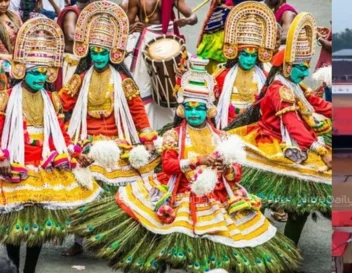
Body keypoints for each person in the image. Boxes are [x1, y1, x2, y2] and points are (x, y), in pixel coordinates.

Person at [69, 56, 300, 273]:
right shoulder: (173, 135)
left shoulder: (222, 137)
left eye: (199, 108)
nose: (194, 113)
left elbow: (236, 173)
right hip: (180, 193)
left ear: (208, 110)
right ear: (182, 110)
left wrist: (224, 168)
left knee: (213, 251)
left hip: (217, 197)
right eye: (189, 108)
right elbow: (168, 166)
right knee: (177, 252)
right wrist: (198, 161)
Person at [227, 13, 332, 273]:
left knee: (299, 207)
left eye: (306, 66)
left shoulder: (294, 86)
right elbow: (293, 123)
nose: (305, 72)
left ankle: (286, 259)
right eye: (300, 68)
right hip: (271, 149)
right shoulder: (280, 90)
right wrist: (318, 147)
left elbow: (316, 106)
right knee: (256, 202)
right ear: (287, 67)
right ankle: (248, 253)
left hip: (294, 145)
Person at [0, 18, 100, 273]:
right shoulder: (5, 98)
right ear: (22, 72)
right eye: (34, 73)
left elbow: (62, 134)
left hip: (45, 166)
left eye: (43, 73)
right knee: (13, 231)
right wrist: (2, 157)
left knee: (37, 231)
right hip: (15, 166)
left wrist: (74, 153)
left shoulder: (52, 99)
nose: (39, 78)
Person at [59, 1, 156, 257]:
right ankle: (79, 240)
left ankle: (111, 238)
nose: (99, 57)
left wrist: (147, 139)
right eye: (95, 52)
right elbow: (61, 104)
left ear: (113, 52)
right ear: (89, 52)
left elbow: (137, 111)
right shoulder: (79, 78)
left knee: (120, 191)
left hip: (117, 141)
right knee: (83, 187)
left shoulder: (124, 80)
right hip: (85, 141)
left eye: (104, 52)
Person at [124, 0, 198, 128]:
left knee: (176, 85)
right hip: (147, 41)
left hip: (170, 42)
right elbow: (125, 25)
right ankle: (145, 128)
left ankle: (174, 125)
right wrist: (132, 27)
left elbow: (193, 17)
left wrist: (187, 20)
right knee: (143, 86)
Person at [213, 1, 277, 130]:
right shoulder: (222, 76)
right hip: (228, 125)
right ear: (237, 54)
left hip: (255, 125)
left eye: (253, 56)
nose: (249, 60)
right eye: (245, 55)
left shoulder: (265, 78)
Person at [55, 0, 94, 90]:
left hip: (83, 61)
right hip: (71, 61)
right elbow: (70, 35)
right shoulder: (72, 12)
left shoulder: (89, 13)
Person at [0, 0, 22, 90]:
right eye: (0, 1)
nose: (4, 4)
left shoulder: (14, 16)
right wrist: (7, 57)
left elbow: (24, 35)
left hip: (16, 58)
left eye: (6, 0)